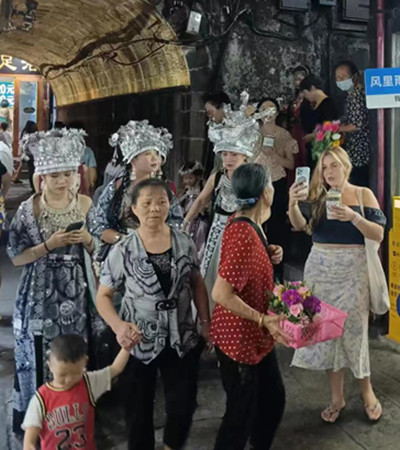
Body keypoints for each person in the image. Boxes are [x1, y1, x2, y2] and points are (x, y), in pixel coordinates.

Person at [96, 178, 211, 450]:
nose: (154, 209)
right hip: (138, 339)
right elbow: (103, 296)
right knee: (138, 409)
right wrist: (118, 326)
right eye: (146, 203)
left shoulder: (184, 242)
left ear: (169, 205)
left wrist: (205, 321)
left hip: (181, 335)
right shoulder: (123, 249)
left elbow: (197, 282)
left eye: (161, 202)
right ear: (134, 208)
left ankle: (172, 445)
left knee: (182, 404)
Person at [7, 128, 104, 433]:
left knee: (73, 352)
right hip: (38, 291)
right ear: (41, 178)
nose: (62, 182)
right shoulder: (28, 210)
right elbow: (16, 256)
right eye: (54, 176)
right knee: (39, 354)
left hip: (75, 293)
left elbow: (100, 251)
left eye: (67, 174)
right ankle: (38, 421)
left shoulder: (86, 205)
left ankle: (72, 416)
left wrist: (88, 239)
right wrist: (49, 245)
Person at [288, 144, 385, 424]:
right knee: (326, 334)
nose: (330, 172)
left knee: (355, 333)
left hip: (353, 270)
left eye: (334, 166)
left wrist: (354, 217)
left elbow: (378, 233)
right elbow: (301, 226)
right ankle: (336, 398)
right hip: (320, 268)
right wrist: (293, 203)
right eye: (325, 167)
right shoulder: (318, 196)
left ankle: (367, 392)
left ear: (346, 166)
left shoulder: (363, 194)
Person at [211, 163, 288, 450]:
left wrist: (269, 254)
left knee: (271, 399)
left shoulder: (248, 222)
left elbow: (242, 264)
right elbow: (221, 293)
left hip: (254, 337)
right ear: (266, 192)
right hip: (239, 338)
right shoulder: (244, 232)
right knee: (240, 415)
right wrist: (262, 319)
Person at [184, 98, 260, 305]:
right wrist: (185, 222)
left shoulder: (255, 178)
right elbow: (200, 201)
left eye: (234, 154)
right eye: (225, 154)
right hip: (218, 230)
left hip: (242, 231)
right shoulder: (217, 176)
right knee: (211, 271)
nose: (229, 159)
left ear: (244, 156)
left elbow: (263, 208)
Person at [22, 334, 136, 450]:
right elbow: (29, 442)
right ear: (50, 366)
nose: (69, 379)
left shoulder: (88, 383)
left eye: (75, 373)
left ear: (85, 363)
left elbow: (115, 369)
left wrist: (127, 347)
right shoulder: (41, 399)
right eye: (62, 375)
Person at [92, 120, 183, 251]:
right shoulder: (118, 186)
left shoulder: (163, 189)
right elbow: (97, 223)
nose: (154, 159)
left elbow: (176, 221)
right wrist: (121, 239)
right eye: (147, 154)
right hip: (121, 253)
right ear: (133, 159)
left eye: (157, 154)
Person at [252, 97, 299, 279]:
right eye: (264, 109)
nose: (268, 113)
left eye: (271, 109)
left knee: (277, 223)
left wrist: (273, 155)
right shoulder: (252, 134)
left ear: (277, 112)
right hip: (256, 182)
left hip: (277, 182)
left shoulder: (283, 135)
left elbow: (290, 163)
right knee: (257, 222)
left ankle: (276, 267)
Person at [335, 60, 370, 187]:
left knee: (359, 182)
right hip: (355, 148)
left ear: (354, 77)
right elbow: (348, 116)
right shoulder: (351, 94)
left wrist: (337, 129)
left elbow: (357, 124)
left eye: (343, 77)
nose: (340, 80)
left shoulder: (356, 95)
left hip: (360, 149)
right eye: (337, 77)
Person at [300, 75, 340, 165]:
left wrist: (313, 136)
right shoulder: (313, 105)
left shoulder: (328, 104)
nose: (306, 97)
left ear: (312, 88)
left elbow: (332, 128)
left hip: (325, 150)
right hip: (316, 149)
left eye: (305, 93)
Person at [287, 65, 315, 179]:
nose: (298, 81)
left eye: (301, 78)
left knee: (303, 157)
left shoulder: (310, 96)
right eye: (295, 78)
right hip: (295, 131)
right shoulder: (297, 95)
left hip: (304, 131)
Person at [178, 161, 209, 258]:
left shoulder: (202, 189)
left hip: (199, 220)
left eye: (190, 178)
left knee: (199, 239)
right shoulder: (186, 191)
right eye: (185, 178)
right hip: (187, 219)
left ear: (198, 177)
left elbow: (204, 203)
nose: (187, 181)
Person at [202, 92, 232, 173]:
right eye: (207, 113)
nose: (210, 116)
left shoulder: (238, 129)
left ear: (223, 107)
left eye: (211, 112)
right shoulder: (214, 129)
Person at [18, 120, 38, 189]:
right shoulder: (35, 135)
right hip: (33, 155)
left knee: (31, 170)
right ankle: (34, 185)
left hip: (28, 155)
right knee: (33, 170)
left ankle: (33, 185)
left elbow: (22, 145)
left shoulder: (24, 134)